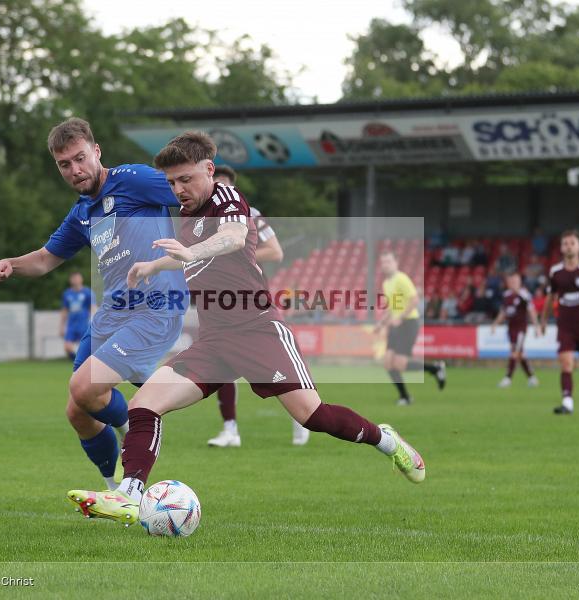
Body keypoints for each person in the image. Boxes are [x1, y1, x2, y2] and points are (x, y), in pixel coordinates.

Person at [67, 131, 425, 524]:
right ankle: (129, 495)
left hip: (260, 331)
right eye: (171, 182)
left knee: (313, 416)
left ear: (209, 170)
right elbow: (190, 257)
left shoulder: (226, 199)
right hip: (215, 342)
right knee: (143, 404)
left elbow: (233, 238)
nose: (178, 189)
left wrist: (190, 252)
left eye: (186, 179)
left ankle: (387, 440)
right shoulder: (185, 216)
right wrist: (155, 265)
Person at [0, 117, 186, 498]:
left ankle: (135, 438)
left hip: (154, 306)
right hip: (113, 312)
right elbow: (45, 259)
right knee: (77, 410)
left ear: (96, 151)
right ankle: (111, 487)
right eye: (64, 164)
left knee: (84, 387)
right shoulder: (81, 213)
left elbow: (191, 193)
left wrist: (210, 239)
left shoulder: (134, 180)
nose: (75, 170)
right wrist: (11, 264)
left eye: (80, 158)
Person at [205, 164, 310, 448]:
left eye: (225, 185)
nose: (220, 190)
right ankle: (230, 429)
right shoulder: (202, 218)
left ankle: (302, 414)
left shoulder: (249, 214)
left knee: (272, 366)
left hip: (251, 300)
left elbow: (276, 251)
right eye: (216, 184)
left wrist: (235, 250)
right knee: (220, 363)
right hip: (218, 302)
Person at [539, 230, 579, 416]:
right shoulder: (555, 272)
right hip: (564, 325)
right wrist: (543, 320)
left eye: (572, 243)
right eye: (565, 243)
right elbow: (550, 298)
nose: (569, 246)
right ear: (561, 248)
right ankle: (567, 403)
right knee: (566, 363)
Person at [374, 251, 446, 406]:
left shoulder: (402, 278)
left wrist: (401, 317)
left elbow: (414, 300)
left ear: (396, 262)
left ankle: (435, 368)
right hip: (395, 325)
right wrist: (381, 324)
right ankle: (405, 397)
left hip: (408, 323)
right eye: (383, 262)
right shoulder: (386, 283)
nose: (385, 264)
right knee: (388, 362)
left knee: (399, 363)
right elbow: (392, 307)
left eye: (388, 261)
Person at [491, 273, 539, 388]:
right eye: (511, 281)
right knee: (520, 354)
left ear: (519, 282)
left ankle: (508, 378)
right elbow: (503, 312)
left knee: (514, 352)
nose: (513, 283)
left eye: (515, 281)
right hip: (511, 328)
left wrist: (536, 326)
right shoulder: (506, 295)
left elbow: (531, 311)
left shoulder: (524, 295)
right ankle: (532, 378)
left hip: (521, 329)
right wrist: (495, 324)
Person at [59, 271, 95, 361]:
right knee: (67, 347)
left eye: (77, 278)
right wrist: (62, 326)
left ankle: (86, 363)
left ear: (81, 279)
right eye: (74, 278)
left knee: (86, 347)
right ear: (70, 280)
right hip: (71, 324)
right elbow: (65, 310)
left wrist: (93, 321)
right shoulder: (67, 294)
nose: (76, 280)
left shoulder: (87, 292)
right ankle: (78, 362)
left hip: (83, 323)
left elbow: (93, 307)